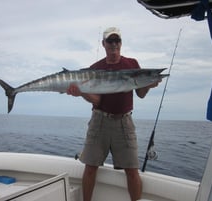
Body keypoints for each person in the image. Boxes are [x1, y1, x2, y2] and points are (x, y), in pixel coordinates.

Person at [67, 27, 161, 201]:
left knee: (132, 171)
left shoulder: (132, 64)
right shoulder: (95, 68)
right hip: (99, 121)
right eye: (110, 41)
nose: (114, 44)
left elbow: (140, 94)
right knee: (90, 168)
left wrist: (148, 83)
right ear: (103, 44)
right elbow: (97, 101)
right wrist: (80, 92)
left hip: (124, 123)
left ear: (121, 43)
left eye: (117, 41)